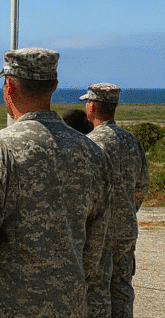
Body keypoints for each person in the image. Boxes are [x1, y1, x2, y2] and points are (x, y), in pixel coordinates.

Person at [0, 48, 114, 318]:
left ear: (8, 86)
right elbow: (96, 243)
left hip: (5, 304)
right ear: (54, 86)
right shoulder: (92, 152)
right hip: (68, 303)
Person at [82, 83, 150, 317]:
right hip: (126, 229)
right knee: (121, 289)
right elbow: (142, 185)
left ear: (91, 106)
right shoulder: (132, 142)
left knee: (96, 292)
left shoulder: (89, 144)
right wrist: (128, 209)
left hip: (96, 233)